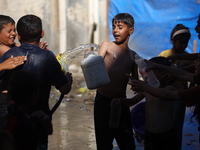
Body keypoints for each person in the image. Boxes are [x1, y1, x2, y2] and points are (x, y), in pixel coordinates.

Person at [0, 14, 73, 150]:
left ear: (19, 36)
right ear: (42, 33)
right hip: (40, 118)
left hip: (12, 117)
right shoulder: (47, 57)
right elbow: (64, 89)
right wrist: (67, 80)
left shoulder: (10, 55)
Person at [92, 13, 138, 150]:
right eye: (113, 27)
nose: (115, 31)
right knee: (104, 143)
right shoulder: (107, 45)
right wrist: (90, 60)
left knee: (127, 143)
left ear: (130, 30)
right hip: (103, 101)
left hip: (121, 102)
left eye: (120, 27)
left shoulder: (133, 56)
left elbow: (136, 83)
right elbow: (96, 63)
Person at [158, 24, 194, 150]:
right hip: (165, 95)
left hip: (179, 97)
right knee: (164, 123)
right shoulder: (164, 55)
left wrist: (190, 92)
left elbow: (193, 77)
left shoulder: (188, 58)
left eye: (186, 43)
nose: (184, 45)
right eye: (181, 42)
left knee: (176, 125)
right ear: (172, 40)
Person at [6, 70, 53, 150]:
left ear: (9, 94)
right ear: (35, 96)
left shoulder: (13, 116)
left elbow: (48, 131)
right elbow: (48, 132)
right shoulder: (24, 120)